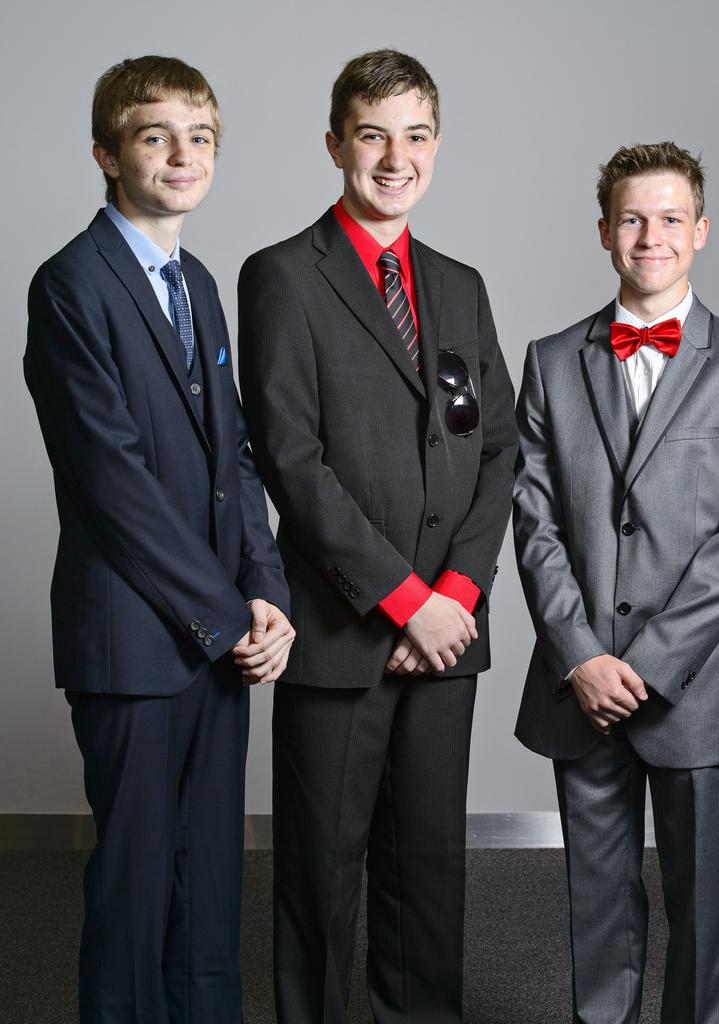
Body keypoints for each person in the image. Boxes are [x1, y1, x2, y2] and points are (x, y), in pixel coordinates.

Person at [237, 48, 518, 1024]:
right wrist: (404, 599)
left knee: (428, 873)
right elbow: (292, 460)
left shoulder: (459, 284)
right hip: (345, 633)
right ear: (335, 144)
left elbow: (499, 452)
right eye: (373, 135)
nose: (395, 157)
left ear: (436, 145)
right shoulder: (281, 276)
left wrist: (457, 598)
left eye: (416, 135)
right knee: (321, 878)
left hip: (448, 634)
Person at [24, 55, 293, 1023]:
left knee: (211, 887)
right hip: (135, 646)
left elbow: (238, 459)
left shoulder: (201, 284)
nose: (183, 154)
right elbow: (114, 490)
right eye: (155, 136)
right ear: (107, 153)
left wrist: (268, 594)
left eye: (200, 137)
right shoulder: (69, 287)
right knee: (136, 892)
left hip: (220, 644)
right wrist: (227, 616)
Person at [513, 141, 719, 1023]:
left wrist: (650, 661)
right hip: (581, 685)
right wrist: (581, 655)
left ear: (700, 231)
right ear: (603, 232)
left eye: (668, 219)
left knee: (703, 914)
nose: (649, 235)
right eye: (631, 218)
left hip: (694, 688)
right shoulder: (550, 361)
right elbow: (533, 521)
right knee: (598, 907)